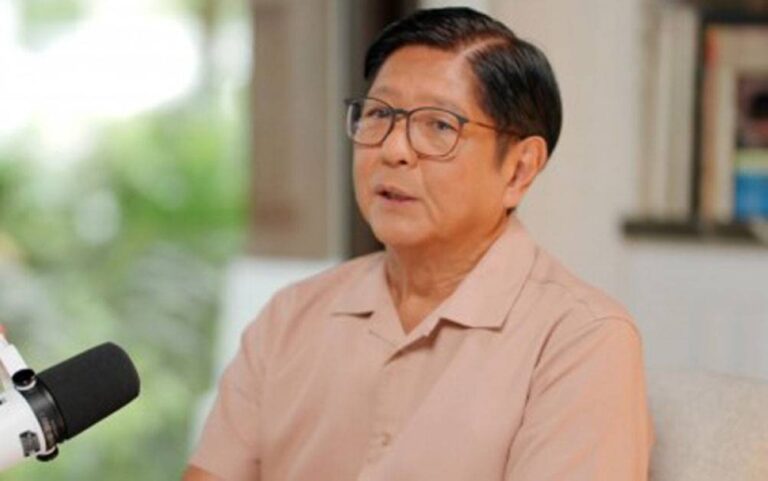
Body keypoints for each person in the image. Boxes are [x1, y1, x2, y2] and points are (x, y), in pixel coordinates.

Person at [183, 7, 655, 481]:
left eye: (439, 126)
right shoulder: (289, 317)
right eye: (379, 115)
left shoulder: (582, 340)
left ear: (519, 170)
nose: (393, 150)